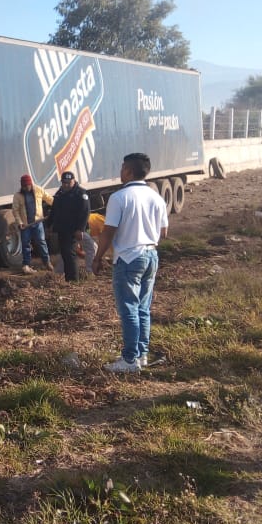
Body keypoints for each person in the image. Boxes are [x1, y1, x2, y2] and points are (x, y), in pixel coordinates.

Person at [93, 153, 169, 373]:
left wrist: (98, 258)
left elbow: (108, 232)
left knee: (129, 310)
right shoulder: (156, 198)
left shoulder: (119, 198)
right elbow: (163, 232)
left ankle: (129, 361)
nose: (120, 172)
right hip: (151, 255)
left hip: (128, 258)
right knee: (143, 308)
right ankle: (141, 354)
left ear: (128, 171)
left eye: (122, 168)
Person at [49, 171, 91, 282]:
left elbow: (85, 212)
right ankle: (69, 278)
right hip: (62, 228)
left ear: (74, 181)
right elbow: (54, 210)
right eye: (64, 182)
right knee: (65, 253)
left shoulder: (81, 193)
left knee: (69, 254)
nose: (66, 185)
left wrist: (80, 229)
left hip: (73, 229)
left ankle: (73, 280)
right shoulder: (60, 193)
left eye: (68, 182)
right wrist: (48, 225)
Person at [12, 174, 53, 274]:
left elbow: (50, 199)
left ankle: (47, 262)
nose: (26, 188)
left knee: (41, 241)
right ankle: (26, 264)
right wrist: (20, 222)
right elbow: (15, 210)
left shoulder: (39, 190)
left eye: (27, 186)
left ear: (31, 184)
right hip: (26, 225)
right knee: (25, 244)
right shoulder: (17, 196)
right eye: (24, 186)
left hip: (38, 222)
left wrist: (57, 207)